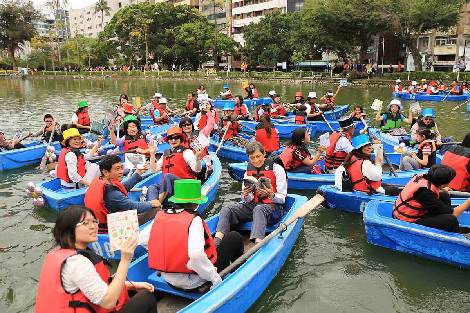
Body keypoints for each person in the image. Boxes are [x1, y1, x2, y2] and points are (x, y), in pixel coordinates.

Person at [35, 205, 157, 313]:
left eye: (94, 221)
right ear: (69, 230)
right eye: (86, 223)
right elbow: (108, 302)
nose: (93, 226)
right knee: (146, 298)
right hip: (104, 302)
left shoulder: (59, 255)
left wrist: (132, 285)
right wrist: (125, 259)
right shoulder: (76, 263)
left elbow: (91, 285)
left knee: (135, 292)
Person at [141, 179, 244, 290]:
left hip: (168, 278)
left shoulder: (160, 216)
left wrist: (167, 258)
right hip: (195, 283)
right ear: (195, 203)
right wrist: (214, 277)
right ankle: (240, 273)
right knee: (234, 237)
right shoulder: (194, 220)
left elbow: (142, 240)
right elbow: (196, 255)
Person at [214, 141, 288, 244]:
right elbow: (247, 200)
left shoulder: (277, 168)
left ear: (264, 154)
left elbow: (282, 199)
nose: (256, 160)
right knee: (228, 209)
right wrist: (245, 195)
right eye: (252, 158)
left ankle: (258, 243)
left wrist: (271, 194)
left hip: (274, 208)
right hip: (254, 206)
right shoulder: (248, 170)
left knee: (259, 209)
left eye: (258, 156)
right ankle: (217, 240)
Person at [84, 154, 160, 232]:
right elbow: (133, 206)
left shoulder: (101, 180)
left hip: (100, 221)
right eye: (117, 169)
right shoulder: (112, 193)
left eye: (121, 168)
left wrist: (138, 173)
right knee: (157, 209)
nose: (121, 172)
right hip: (111, 226)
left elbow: (123, 187)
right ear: (106, 172)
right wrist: (151, 203)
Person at [393, 165, 470, 233]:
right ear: (442, 184)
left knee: (444, 195)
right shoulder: (425, 194)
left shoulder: (425, 177)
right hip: (408, 221)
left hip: (416, 212)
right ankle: (454, 234)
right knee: (451, 219)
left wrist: (441, 189)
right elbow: (454, 214)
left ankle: (446, 226)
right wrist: (468, 201)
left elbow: (433, 189)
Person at [146, 126, 203, 204]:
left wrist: (197, 159)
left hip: (184, 186)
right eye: (170, 138)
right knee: (152, 187)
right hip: (170, 186)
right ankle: (152, 204)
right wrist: (152, 154)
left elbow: (197, 169)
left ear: (180, 139)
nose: (173, 140)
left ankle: (158, 204)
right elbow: (153, 170)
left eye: (176, 138)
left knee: (168, 176)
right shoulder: (165, 154)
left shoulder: (187, 152)